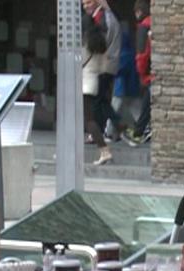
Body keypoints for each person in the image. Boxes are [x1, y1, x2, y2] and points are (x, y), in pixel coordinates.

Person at [83, 0, 125, 160]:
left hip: (102, 68)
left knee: (97, 103)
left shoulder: (102, 20)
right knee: (100, 101)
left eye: (88, 2)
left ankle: (110, 132)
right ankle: (110, 130)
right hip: (104, 67)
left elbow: (99, 45)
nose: (85, 6)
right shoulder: (107, 17)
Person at [82, 12, 111, 165]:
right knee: (86, 119)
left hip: (83, 83)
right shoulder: (101, 45)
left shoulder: (86, 45)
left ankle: (104, 150)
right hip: (93, 83)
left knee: (88, 121)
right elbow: (103, 68)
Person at [122, 0, 153, 146]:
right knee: (149, 103)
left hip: (149, 73)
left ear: (139, 12)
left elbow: (142, 54)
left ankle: (139, 133)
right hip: (155, 70)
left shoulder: (143, 28)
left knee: (147, 103)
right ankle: (144, 130)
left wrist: (141, 73)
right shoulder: (153, 24)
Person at [105, 22, 141, 143]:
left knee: (113, 110)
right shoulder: (131, 53)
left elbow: (118, 70)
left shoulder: (123, 55)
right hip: (133, 87)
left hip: (121, 88)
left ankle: (109, 133)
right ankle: (144, 129)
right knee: (137, 111)